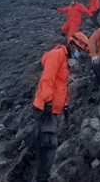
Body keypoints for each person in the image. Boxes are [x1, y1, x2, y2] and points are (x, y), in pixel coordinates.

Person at [30, 36, 87, 182]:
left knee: (41, 143)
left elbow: (61, 86)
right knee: (49, 145)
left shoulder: (65, 59)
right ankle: (41, 178)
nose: (78, 54)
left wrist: (65, 105)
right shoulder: (57, 55)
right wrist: (48, 103)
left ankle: (29, 173)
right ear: (73, 45)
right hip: (45, 108)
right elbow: (47, 79)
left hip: (52, 108)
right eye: (79, 50)